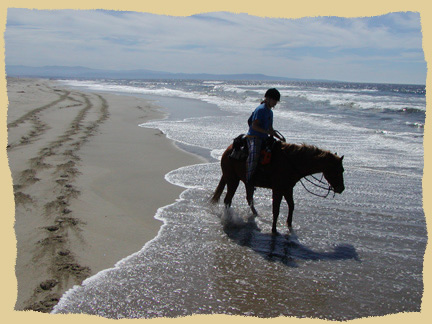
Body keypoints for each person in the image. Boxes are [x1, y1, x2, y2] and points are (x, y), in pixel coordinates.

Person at [246, 88, 283, 186]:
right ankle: (249, 179)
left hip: (264, 137)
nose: (275, 102)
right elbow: (254, 125)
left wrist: (280, 138)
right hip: (254, 137)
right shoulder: (261, 109)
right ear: (268, 98)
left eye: (276, 101)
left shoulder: (270, 112)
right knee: (254, 155)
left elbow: (270, 128)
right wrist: (266, 131)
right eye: (274, 100)